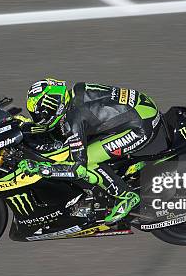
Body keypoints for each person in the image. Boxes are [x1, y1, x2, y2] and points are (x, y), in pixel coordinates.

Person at [17, 78, 161, 224]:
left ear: (54, 105)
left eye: (41, 115)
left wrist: (42, 169)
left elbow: (78, 170)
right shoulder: (77, 90)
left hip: (141, 127)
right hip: (144, 105)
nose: (40, 119)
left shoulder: (73, 120)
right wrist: (28, 125)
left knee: (89, 160)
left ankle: (126, 196)